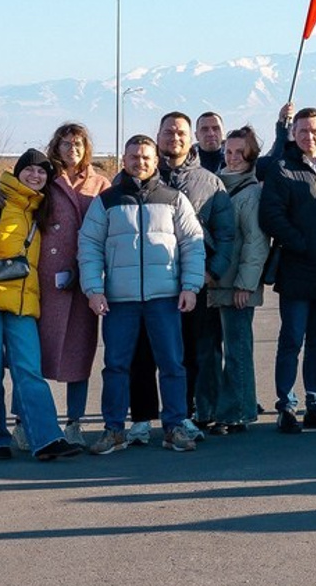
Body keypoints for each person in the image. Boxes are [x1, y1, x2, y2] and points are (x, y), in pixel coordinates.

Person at [77, 135, 205, 454]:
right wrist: (94, 290)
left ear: (155, 159)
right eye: (134, 156)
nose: (140, 161)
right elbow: (89, 246)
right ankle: (114, 430)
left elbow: (192, 243)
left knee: (173, 364)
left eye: (146, 156)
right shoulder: (106, 201)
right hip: (120, 301)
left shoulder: (174, 199)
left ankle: (175, 427)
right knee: (116, 366)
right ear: (124, 159)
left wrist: (191, 286)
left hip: (165, 297)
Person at [0, 149, 79, 460]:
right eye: (31, 170)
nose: (36, 176)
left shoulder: (40, 209)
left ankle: (46, 439)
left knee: (29, 372)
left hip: (25, 305)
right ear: (19, 171)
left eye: (42, 173)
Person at [258, 106, 316, 433]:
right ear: (293, 133)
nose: (309, 137)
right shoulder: (281, 169)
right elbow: (271, 215)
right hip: (296, 269)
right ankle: (286, 405)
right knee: (292, 339)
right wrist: (301, 243)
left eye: (314, 131)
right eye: (302, 131)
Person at [151, 111, 235, 437]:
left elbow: (226, 235)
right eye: (168, 132)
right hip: (152, 283)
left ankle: (202, 411)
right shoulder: (142, 176)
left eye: (181, 133)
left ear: (192, 139)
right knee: (158, 352)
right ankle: (166, 414)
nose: (175, 138)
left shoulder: (211, 183)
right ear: (158, 136)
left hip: (197, 282)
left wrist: (213, 272)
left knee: (202, 349)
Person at [40, 122, 110, 444]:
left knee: (79, 356)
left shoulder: (99, 183)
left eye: (79, 144)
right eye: (66, 144)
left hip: (87, 280)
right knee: (33, 355)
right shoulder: (44, 179)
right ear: (56, 146)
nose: (73, 150)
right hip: (46, 280)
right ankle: (30, 422)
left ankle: (75, 422)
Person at [209, 126, 269, 433]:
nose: (233, 158)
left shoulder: (252, 192)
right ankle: (225, 406)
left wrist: (246, 284)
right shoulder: (217, 185)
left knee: (238, 349)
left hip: (238, 285)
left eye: (239, 152)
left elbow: (256, 243)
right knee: (218, 349)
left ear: (251, 155)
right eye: (228, 151)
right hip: (216, 280)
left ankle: (239, 411)